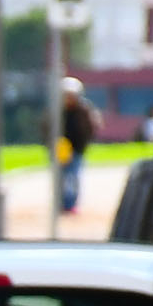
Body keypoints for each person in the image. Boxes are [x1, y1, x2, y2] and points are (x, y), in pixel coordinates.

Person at [58, 78, 100, 215]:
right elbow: (48, 127)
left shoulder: (84, 111)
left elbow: (90, 129)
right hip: (61, 149)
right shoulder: (58, 111)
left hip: (77, 149)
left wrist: (82, 145)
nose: (68, 98)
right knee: (61, 178)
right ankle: (62, 203)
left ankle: (72, 204)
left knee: (74, 177)